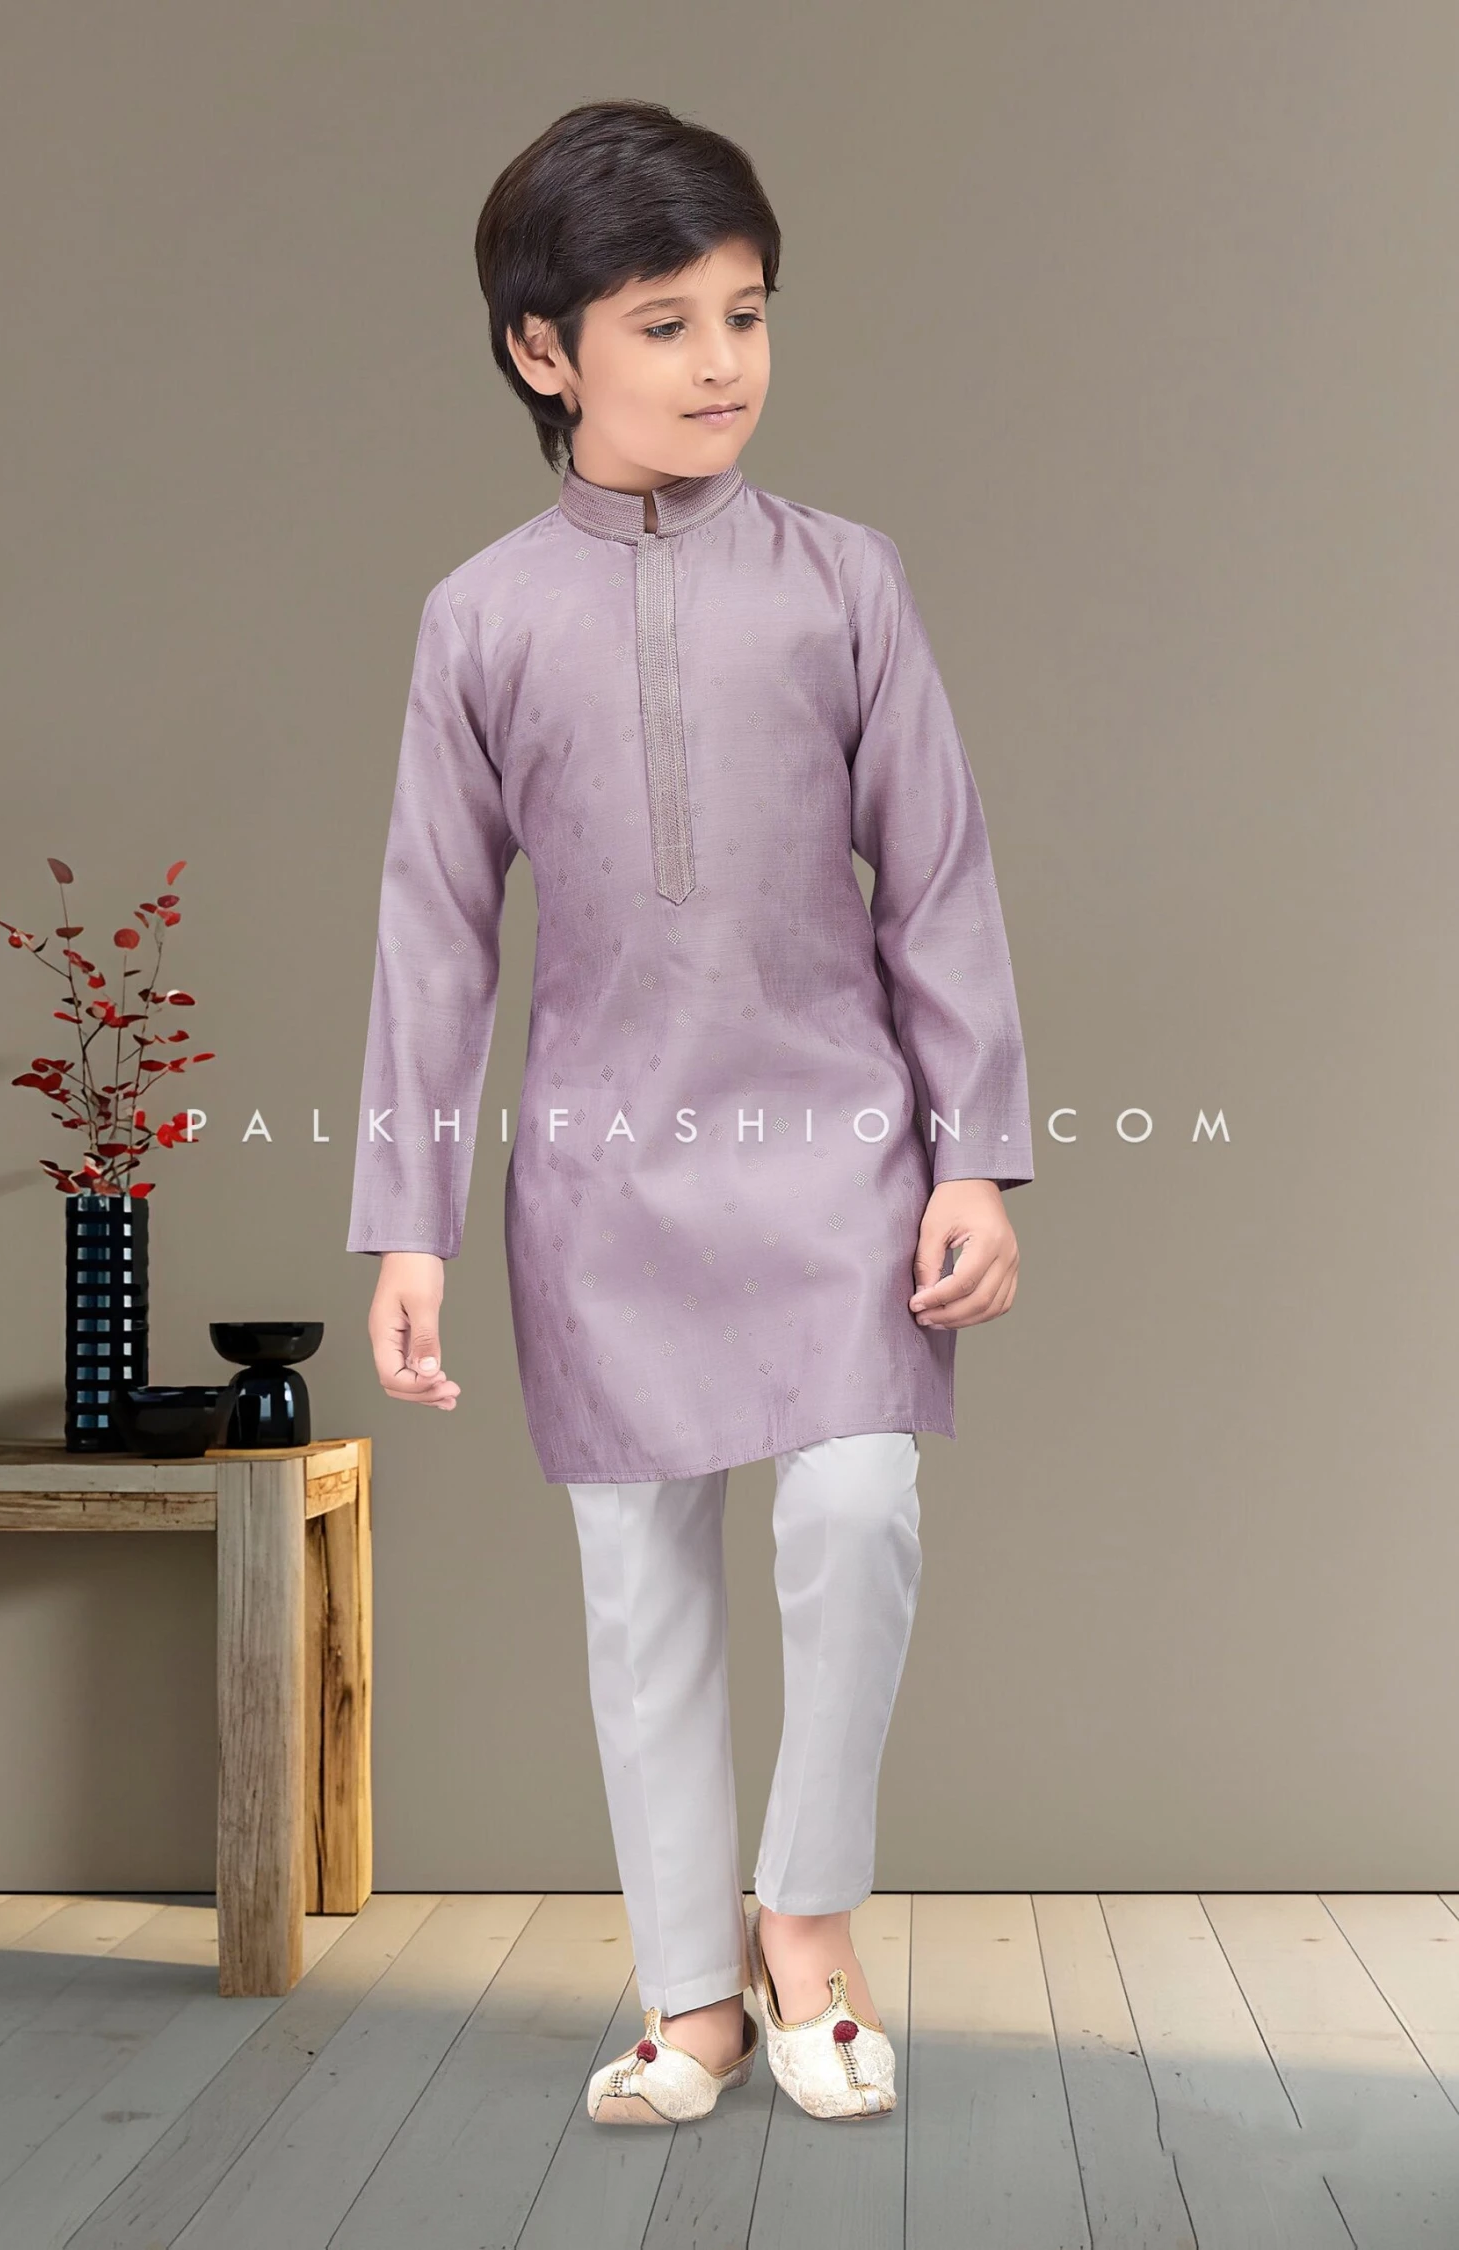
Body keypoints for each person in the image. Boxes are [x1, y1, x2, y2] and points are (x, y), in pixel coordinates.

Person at [348, 98, 1034, 2124]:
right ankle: (689, 1996)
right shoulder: (480, 618)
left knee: (856, 1507)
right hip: (603, 1180)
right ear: (540, 351)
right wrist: (408, 1224)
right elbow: (433, 934)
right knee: (641, 1592)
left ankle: (804, 1920)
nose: (723, 360)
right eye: (664, 323)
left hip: (839, 1155)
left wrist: (977, 1156)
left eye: (747, 312)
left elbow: (939, 882)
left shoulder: (845, 582)